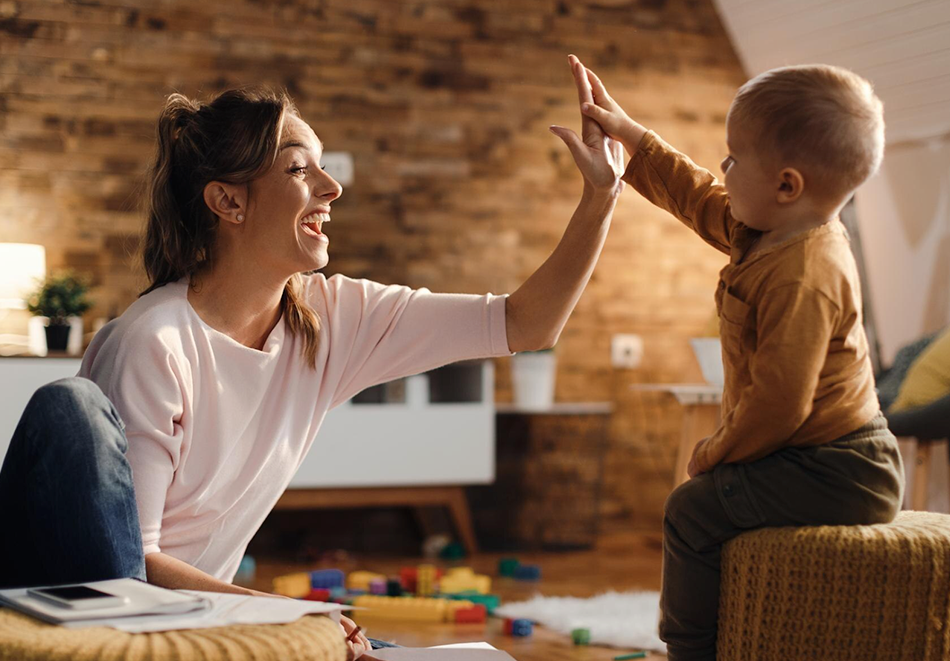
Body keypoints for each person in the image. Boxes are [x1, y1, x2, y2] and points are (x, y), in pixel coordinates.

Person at [0, 57, 622, 658]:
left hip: (207, 622)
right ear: (229, 202)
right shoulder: (154, 341)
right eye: (301, 170)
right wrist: (290, 619)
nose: (333, 187)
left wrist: (599, 199)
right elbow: (137, 567)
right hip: (126, 618)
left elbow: (525, 322)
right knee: (69, 405)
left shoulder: (330, 319)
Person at [573, 55, 905, 660]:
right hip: (806, 456)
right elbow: (693, 193)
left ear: (785, 184)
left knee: (692, 509)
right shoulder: (766, 230)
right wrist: (630, 134)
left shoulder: (805, 271)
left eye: (732, 157)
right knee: (711, 500)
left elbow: (779, 402)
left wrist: (714, 452)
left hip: (841, 469)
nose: (721, 169)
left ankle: (691, 650)